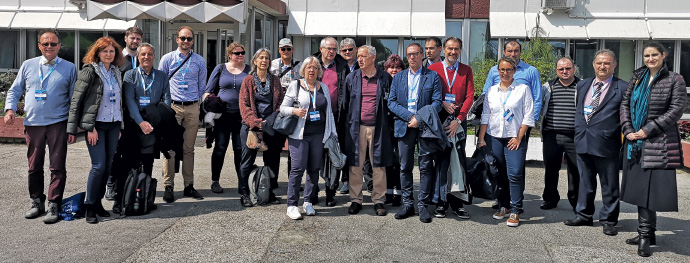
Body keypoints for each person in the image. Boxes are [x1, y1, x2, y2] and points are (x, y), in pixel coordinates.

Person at [619, 42, 686, 257]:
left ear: (663, 55)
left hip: (659, 143)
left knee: (651, 192)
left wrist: (647, 130)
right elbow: (625, 104)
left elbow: (676, 110)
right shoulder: (637, 77)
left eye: (654, 54)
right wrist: (628, 129)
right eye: (647, 55)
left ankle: (645, 236)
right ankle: (648, 232)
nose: (650, 59)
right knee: (640, 190)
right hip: (635, 143)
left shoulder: (674, 79)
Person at [4, 29, 77, 224]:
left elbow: (74, 100)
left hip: (58, 123)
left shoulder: (69, 68)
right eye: (46, 44)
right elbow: (15, 89)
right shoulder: (28, 65)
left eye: (53, 44)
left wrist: (73, 127)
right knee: (34, 166)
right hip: (33, 124)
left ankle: (54, 203)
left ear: (59, 46)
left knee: (57, 166)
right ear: (39, 46)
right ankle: (37, 202)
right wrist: (10, 109)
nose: (49, 47)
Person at [564, 50, 627, 237]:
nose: (602, 66)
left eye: (607, 63)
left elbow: (625, 116)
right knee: (585, 182)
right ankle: (584, 215)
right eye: (599, 63)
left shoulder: (622, 87)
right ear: (593, 64)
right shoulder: (583, 84)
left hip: (607, 144)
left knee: (609, 185)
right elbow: (579, 111)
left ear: (614, 65)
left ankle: (609, 220)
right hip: (583, 140)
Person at [66, 36, 124, 224]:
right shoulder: (90, 71)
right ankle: (90, 205)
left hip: (114, 124)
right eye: (104, 51)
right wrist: (85, 128)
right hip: (96, 127)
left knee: (107, 167)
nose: (108, 54)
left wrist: (120, 125)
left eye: (112, 51)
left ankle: (98, 203)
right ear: (97, 53)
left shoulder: (116, 71)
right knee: (98, 166)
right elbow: (77, 100)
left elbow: (119, 101)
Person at [482, 40, 541, 213]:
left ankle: (516, 204)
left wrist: (525, 128)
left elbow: (536, 101)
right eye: (509, 50)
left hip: (519, 128)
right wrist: (481, 136)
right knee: (499, 169)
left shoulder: (530, 72)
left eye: (516, 51)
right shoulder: (494, 72)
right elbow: (486, 98)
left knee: (515, 169)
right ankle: (503, 202)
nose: (513, 54)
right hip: (496, 130)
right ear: (504, 51)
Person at [388, 43, 443, 223]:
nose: (412, 57)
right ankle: (407, 204)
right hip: (404, 126)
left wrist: (419, 118)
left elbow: (436, 102)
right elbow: (392, 102)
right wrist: (410, 116)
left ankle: (422, 206)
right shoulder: (399, 78)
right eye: (409, 54)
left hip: (425, 126)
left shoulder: (432, 76)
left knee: (426, 167)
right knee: (405, 167)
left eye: (415, 54)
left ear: (422, 56)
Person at [477, 57, 534, 227]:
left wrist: (519, 137)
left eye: (509, 70)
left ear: (514, 71)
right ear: (498, 71)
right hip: (495, 137)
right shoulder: (492, 91)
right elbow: (486, 116)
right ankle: (504, 206)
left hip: (514, 138)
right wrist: (481, 138)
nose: (505, 73)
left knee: (515, 173)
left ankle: (516, 209)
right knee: (499, 174)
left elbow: (528, 115)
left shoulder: (523, 89)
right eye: (502, 70)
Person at [280, 56, 338, 219]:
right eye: (309, 67)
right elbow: (282, 108)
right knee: (297, 168)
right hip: (299, 135)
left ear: (319, 71)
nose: (312, 70)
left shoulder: (323, 87)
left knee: (314, 169)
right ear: (303, 70)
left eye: (315, 67)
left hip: (318, 134)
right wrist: (294, 111)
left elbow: (329, 113)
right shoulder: (295, 85)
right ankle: (292, 205)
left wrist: (331, 133)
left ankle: (308, 202)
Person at [342, 45, 394, 216]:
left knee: (378, 165)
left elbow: (391, 103)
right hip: (357, 129)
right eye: (358, 56)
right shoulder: (352, 78)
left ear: (373, 57)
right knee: (355, 165)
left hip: (379, 128)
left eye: (363, 56)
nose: (360, 59)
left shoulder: (385, 78)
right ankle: (356, 199)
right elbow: (345, 105)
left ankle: (379, 200)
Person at [158, 26, 206, 203]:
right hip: (173, 108)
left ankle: (188, 185)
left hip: (192, 106)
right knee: (169, 148)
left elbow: (202, 85)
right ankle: (168, 186)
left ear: (193, 41)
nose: (186, 41)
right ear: (177, 39)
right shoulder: (167, 59)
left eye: (189, 39)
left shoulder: (199, 61)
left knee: (188, 149)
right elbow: (161, 83)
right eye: (182, 38)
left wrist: (194, 100)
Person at [427, 36, 474, 219]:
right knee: (441, 163)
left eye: (456, 49)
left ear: (460, 50)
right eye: (450, 49)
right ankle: (440, 203)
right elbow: (430, 93)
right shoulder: (433, 69)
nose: (453, 52)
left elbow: (470, 96)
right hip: (440, 121)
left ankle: (458, 203)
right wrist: (441, 104)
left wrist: (459, 119)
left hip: (458, 123)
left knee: (459, 163)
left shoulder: (466, 70)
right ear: (443, 50)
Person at [238, 48, 285, 207]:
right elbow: (244, 105)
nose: (264, 60)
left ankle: (269, 192)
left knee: (272, 161)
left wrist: (270, 120)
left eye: (267, 58)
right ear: (255, 61)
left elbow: (280, 103)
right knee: (247, 160)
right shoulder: (248, 80)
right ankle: (244, 193)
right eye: (261, 58)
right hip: (252, 126)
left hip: (270, 126)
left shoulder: (275, 80)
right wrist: (255, 122)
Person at [122, 42, 171, 189]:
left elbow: (166, 100)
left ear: (154, 57)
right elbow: (129, 101)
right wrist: (141, 122)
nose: (146, 57)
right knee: (133, 160)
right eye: (143, 54)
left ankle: (145, 194)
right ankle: (132, 193)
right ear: (138, 56)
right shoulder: (130, 75)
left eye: (149, 54)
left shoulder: (162, 76)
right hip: (134, 123)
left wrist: (157, 121)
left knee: (148, 159)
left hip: (153, 125)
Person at [204, 42, 250, 194]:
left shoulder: (249, 69)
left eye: (242, 52)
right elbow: (208, 90)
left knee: (239, 149)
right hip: (222, 115)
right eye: (237, 53)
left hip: (241, 115)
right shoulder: (221, 68)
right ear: (229, 55)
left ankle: (242, 182)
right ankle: (215, 181)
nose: (240, 55)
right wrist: (206, 108)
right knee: (220, 148)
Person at [105, 26, 144, 202]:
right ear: (126, 39)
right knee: (115, 151)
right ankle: (111, 184)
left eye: (138, 38)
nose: (135, 41)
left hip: (138, 114)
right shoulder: (118, 59)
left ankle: (130, 184)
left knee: (134, 151)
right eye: (132, 38)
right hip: (119, 113)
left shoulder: (144, 58)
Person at [539, 57, 580, 211]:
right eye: (561, 69)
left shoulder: (581, 86)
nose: (564, 71)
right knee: (550, 169)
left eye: (568, 68)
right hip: (551, 135)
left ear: (573, 69)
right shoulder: (548, 87)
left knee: (575, 171)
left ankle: (576, 201)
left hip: (574, 137)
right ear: (556, 70)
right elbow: (541, 107)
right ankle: (550, 199)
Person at [312, 36, 349, 205]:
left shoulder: (343, 67)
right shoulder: (311, 64)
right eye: (329, 48)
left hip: (336, 120)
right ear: (321, 49)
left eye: (334, 49)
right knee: (314, 156)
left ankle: (330, 192)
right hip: (315, 120)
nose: (332, 52)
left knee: (333, 156)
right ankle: (312, 191)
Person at [381, 54, 405, 206]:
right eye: (391, 67)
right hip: (385, 127)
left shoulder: (405, 84)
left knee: (399, 161)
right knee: (387, 161)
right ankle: (388, 190)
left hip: (401, 125)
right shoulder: (382, 83)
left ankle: (399, 191)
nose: (394, 70)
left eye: (398, 67)